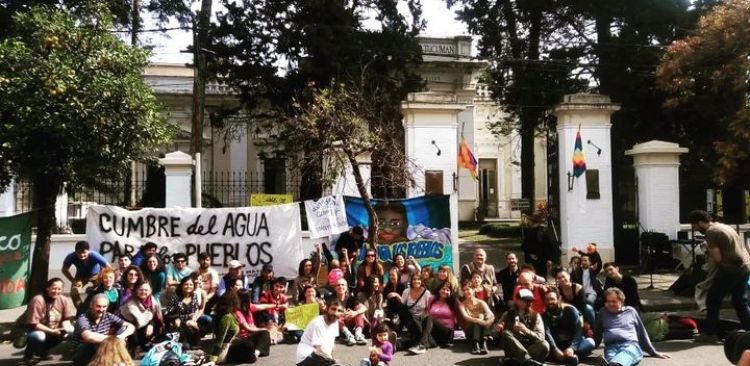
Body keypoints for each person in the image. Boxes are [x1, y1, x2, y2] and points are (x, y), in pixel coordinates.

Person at [689, 210, 750, 343]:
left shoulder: (711, 232)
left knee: (712, 299)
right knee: (740, 301)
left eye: (695, 226)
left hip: (730, 269)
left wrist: (708, 250)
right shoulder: (724, 226)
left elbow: (717, 258)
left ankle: (710, 333)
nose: (696, 229)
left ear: (700, 223)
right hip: (744, 267)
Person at [594, 288, 670, 366]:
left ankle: (613, 364)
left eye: (613, 301)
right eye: (608, 301)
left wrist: (653, 352)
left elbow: (641, 333)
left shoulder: (630, 311)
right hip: (611, 347)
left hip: (630, 345)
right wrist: (590, 347)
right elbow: (597, 333)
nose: (610, 304)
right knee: (611, 358)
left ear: (622, 302)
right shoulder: (602, 312)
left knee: (624, 356)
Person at [21, 278, 76, 365]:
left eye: (59, 289)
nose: (56, 291)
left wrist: (65, 328)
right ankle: (28, 357)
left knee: (72, 330)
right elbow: (34, 324)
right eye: (54, 288)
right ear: (48, 288)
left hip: (55, 330)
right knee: (39, 336)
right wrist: (52, 331)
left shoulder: (64, 300)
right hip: (35, 330)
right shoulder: (38, 300)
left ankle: (43, 351)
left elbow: (66, 319)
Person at [71, 294, 135, 365]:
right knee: (92, 344)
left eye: (104, 307)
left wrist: (122, 336)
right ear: (91, 305)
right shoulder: (83, 319)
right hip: (82, 355)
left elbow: (130, 326)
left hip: (101, 352)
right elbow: (88, 337)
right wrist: (114, 339)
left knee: (124, 329)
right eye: (98, 306)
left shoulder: (108, 316)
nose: (101, 310)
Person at [495, 288, 549, 366]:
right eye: (525, 300)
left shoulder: (536, 316)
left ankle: (517, 360)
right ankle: (528, 360)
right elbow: (494, 335)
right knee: (506, 333)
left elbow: (541, 337)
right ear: (517, 301)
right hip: (512, 348)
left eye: (529, 301)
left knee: (545, 344)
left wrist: (526, 331)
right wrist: (498, 329)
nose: (528, 303)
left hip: (530, 347)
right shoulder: (507, 314)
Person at [543, 288, 595, 365]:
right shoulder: (544, 315)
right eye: (547, 300)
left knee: (590, 342)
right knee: (545, 346)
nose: (549, 302)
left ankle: (572, 356)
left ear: (559, 299)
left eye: (552, 299)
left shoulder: (570, 310)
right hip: (557, 345)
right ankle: (570, 358)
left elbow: (578, 331)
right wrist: (555, 350)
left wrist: (572, 348)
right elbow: (548, 334)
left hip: (572, 342)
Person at [386, 274, 434, 354]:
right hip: (410, 320)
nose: (416, 281)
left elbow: (429, 309)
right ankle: (423, 342)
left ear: (421, 281)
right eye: (414, 279)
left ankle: (397, 346)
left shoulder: (426, 293)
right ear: (411, 281)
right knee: (396, 303)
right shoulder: (406, 291)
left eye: (418, 279)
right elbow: (402, 306)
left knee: (423, 337)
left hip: (421, 321)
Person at [227, 289, 273, 364]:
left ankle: (256, 353)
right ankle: (255, 352)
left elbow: (262, 307)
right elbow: (248, 329)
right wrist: (262, 329)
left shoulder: (248, 307)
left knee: (265, 337)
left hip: (251, 336)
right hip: (243, 338)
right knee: (264, 334)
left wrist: (278, 306)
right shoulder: (237, 312)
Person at [62, 241, 111, 307]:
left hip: (96, 275)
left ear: (88, 251)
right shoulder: (71, 256)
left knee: (102, 291)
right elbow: (64, 269)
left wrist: (101, 277)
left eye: (84, 252)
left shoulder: (94, 255)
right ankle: (81, 310)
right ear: (75, 252)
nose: (82, 255)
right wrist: (73, 280)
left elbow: (108, 267)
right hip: (80, 276)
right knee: (74, 292)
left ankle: (99, 307)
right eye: (79, 253)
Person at [296, 299, 344, 366]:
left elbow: (332, 345)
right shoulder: (318, 323)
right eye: (333, 309)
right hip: (305, 358)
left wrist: (334, 359)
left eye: (339, 311)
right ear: (327, 309)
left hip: (321, 357)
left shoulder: (335, 322)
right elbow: (319, 350)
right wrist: (333, 362)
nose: (335, 313)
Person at [119, 282, 163, 353]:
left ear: (150, 291)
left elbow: (156, 318)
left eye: (146, 290)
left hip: (145, 329)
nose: (143, 292)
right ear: (137, 291)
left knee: (155, 325)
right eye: (141, 290)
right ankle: (136, 347)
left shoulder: (153, 301)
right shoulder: (131, 302)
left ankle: (146, 345)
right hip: (132, 330)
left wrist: (151, 324)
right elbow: (128, 321)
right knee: (130, 328)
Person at [165, 276, 206, 349]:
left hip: (189, 323)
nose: (188, 286)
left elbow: (194, 311)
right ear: (181, 285)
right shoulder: (175, 297)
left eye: (191, 285)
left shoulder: (194, 296)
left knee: (201, 326)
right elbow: (168, 314)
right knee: (185, 346)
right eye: (186, 284)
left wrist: (193, 320)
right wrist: (178, 318)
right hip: (177, 324)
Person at [327, 278, 367, 346]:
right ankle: (349, 336)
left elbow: (364, 308)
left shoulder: (350, 298)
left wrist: (355, 313)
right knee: (336, 316)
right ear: (335, 288)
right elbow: (330, 312)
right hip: (338, 326)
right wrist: (343, 314)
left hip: (350, 321)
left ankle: (358, 334)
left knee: (359, 312)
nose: (340, 287)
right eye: (338, 285)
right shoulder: (332, 298)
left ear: (346, 287)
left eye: (343, 285)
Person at [459, 282, 495, 355]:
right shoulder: (462, 305)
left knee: (485, 315)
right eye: (464, 290)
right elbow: (466, 318)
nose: (466, 292)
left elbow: (491, 315)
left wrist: (488, 322)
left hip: (482, 328)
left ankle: (482, 343)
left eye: (468, 289)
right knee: (480, 316)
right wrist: (480, 321)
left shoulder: (481, 302)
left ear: (473, 290)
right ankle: (477, 343)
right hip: (470, 331)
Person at [209, 290, 241, 363]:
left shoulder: (228, 314)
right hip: (224, 349)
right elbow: (220, 339)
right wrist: (213, 359)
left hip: (230, 344)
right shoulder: (226, 317)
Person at [427, 283, 457, 347]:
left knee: (430, 318)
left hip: (447, 331)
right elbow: (427, 311)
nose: (445, 291)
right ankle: (400, 345)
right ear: (439, 290)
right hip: (433, 330)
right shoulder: (432, 299)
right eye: (443, 289)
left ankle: (422, 342)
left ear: (450, 292)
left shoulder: (453, 302)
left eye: (448, 290)